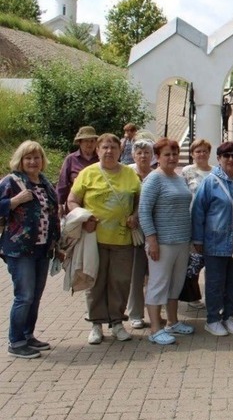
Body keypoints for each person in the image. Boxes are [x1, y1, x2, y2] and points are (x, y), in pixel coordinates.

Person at [68, 134, 141, 345]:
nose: (109, 151)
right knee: (95, 281)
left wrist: (135, 216)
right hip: (94, 239)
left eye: (113, 147)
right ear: (98, 150)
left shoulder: (130, 174)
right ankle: (96, 324)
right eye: (105, 147)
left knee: (120, 282)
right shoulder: (88, 173)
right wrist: (84, 218)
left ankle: (117, 322)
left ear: (120, 150)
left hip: (123, 240)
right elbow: (72, 201)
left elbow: (138, 200)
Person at [0, 141, 61, 358]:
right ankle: (15, 342)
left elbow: (53, 214)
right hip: (19, 249)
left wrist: (57, 242)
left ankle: (27, 335)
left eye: (36, 158)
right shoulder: (12, 182)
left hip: (42, 248)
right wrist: (14, 201)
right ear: (20, 160)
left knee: (35, 296)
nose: (33, 162)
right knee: (23, 296)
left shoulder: (44, 182)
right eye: (28, 158)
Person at [192, 141, 233, 337]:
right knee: (215, 283)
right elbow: (198, 212)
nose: (230, 159)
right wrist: (197, 240)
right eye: (226, 156)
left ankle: (229, 316)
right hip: (215, 242)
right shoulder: (210, 182)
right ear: (219, 158)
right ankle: (212, 319)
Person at [139, 138, 194, 345]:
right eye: (166, 155)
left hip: (181, 241)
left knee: (176, 284)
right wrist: (151, 239)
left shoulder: (179, 178)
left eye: (174, 154)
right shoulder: (154, 179)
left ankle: (173, 321)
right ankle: (155, 329)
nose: (171, 158)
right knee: (158, 284)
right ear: (158, 157)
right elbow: (144, 212)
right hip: (161, 243)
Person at [126, 138, 155, 330]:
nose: (143, 156)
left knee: (155, 275)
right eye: (139, 153)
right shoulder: (127, 173)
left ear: (152, 156)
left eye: (146, 153)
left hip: (155, 231)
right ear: (133, 155)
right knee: (136, 274)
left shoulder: (156, 175)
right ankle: (135, 313)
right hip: (133, 231)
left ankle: (155, 312)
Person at [181, 139, 213, 310]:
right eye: (198, 151)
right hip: (192, 223)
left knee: (212, 263)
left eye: (204, 151)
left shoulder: (216, 172)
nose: (201, 154)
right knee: (194, 262)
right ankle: (193, 297)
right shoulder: (186, 172)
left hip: (213, 224)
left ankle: (212, 296)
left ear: (209, 153)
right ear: (192, 154)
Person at [56, 126, 99, 217]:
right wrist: (59, 204)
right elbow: (63, 183)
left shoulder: (100, 159)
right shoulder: (71, 159)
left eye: (92, 141)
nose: (89, 144)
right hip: (75, 205)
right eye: (86, 141)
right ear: (80, 142)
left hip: (98, 206)